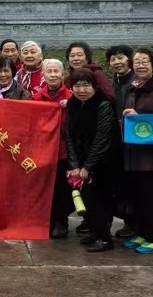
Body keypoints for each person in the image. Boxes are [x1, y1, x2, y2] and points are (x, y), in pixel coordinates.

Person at [121, 48, 153, 254]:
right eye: (137, 62)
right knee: (138, 197)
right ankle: (141, 233)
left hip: (151, 153)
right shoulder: (131, 88)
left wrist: (139, 115)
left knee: (152, 197)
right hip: (132, 151)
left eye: (145, 61)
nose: (140, 65)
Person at [65, 67, 119, 252]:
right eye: (77, 86)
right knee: (88, 200)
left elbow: (102, 138)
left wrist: (88, 166)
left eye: (86, 85)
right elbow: (68, 135)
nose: (82, 90)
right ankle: (95, 232)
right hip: (81, 163)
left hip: (102, 163)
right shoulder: (72, 104)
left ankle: (105, 238)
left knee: (101, 200)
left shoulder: (103, 105)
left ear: (94, 87)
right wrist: (74, 164)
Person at [32, 58, 75, 237]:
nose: (53, 75)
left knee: (62, 187)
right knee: (43, 187)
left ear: (63, 74)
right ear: (43, 75)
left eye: (56, 71)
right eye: (49, 72)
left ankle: (61, 221)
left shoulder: (71, 96)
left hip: (64, 150)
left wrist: (71, 107)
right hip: (43, 150)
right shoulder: (36, 98)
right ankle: (46, 220)